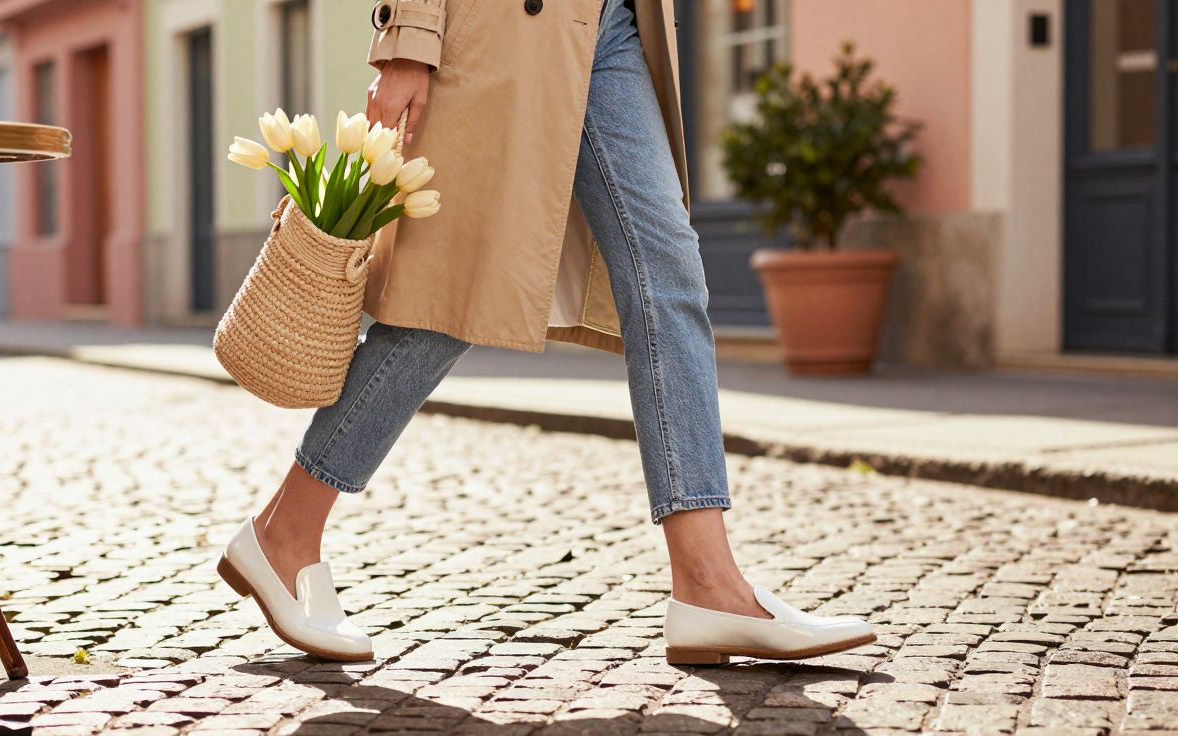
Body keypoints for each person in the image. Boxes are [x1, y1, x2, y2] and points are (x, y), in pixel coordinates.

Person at [217, 0, 875, 665]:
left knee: (669, 277)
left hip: (614, 25)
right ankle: (287, 533)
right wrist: (407, 39)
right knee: (448, 305)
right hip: (494, 31)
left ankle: (707, 584)